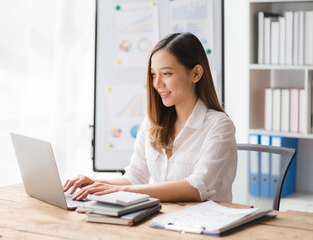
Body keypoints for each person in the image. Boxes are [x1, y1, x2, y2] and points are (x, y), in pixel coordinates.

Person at [63, 32, 237, 202]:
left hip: (205, 224)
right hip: (163, 221)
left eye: (167, 73)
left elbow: (197, 187)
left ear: (196, 74)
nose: (157, 84)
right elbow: (135, 177)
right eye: (154, 74)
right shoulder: (151, 124)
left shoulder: (219, 125)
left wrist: (119, 190)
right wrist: (97, 182)